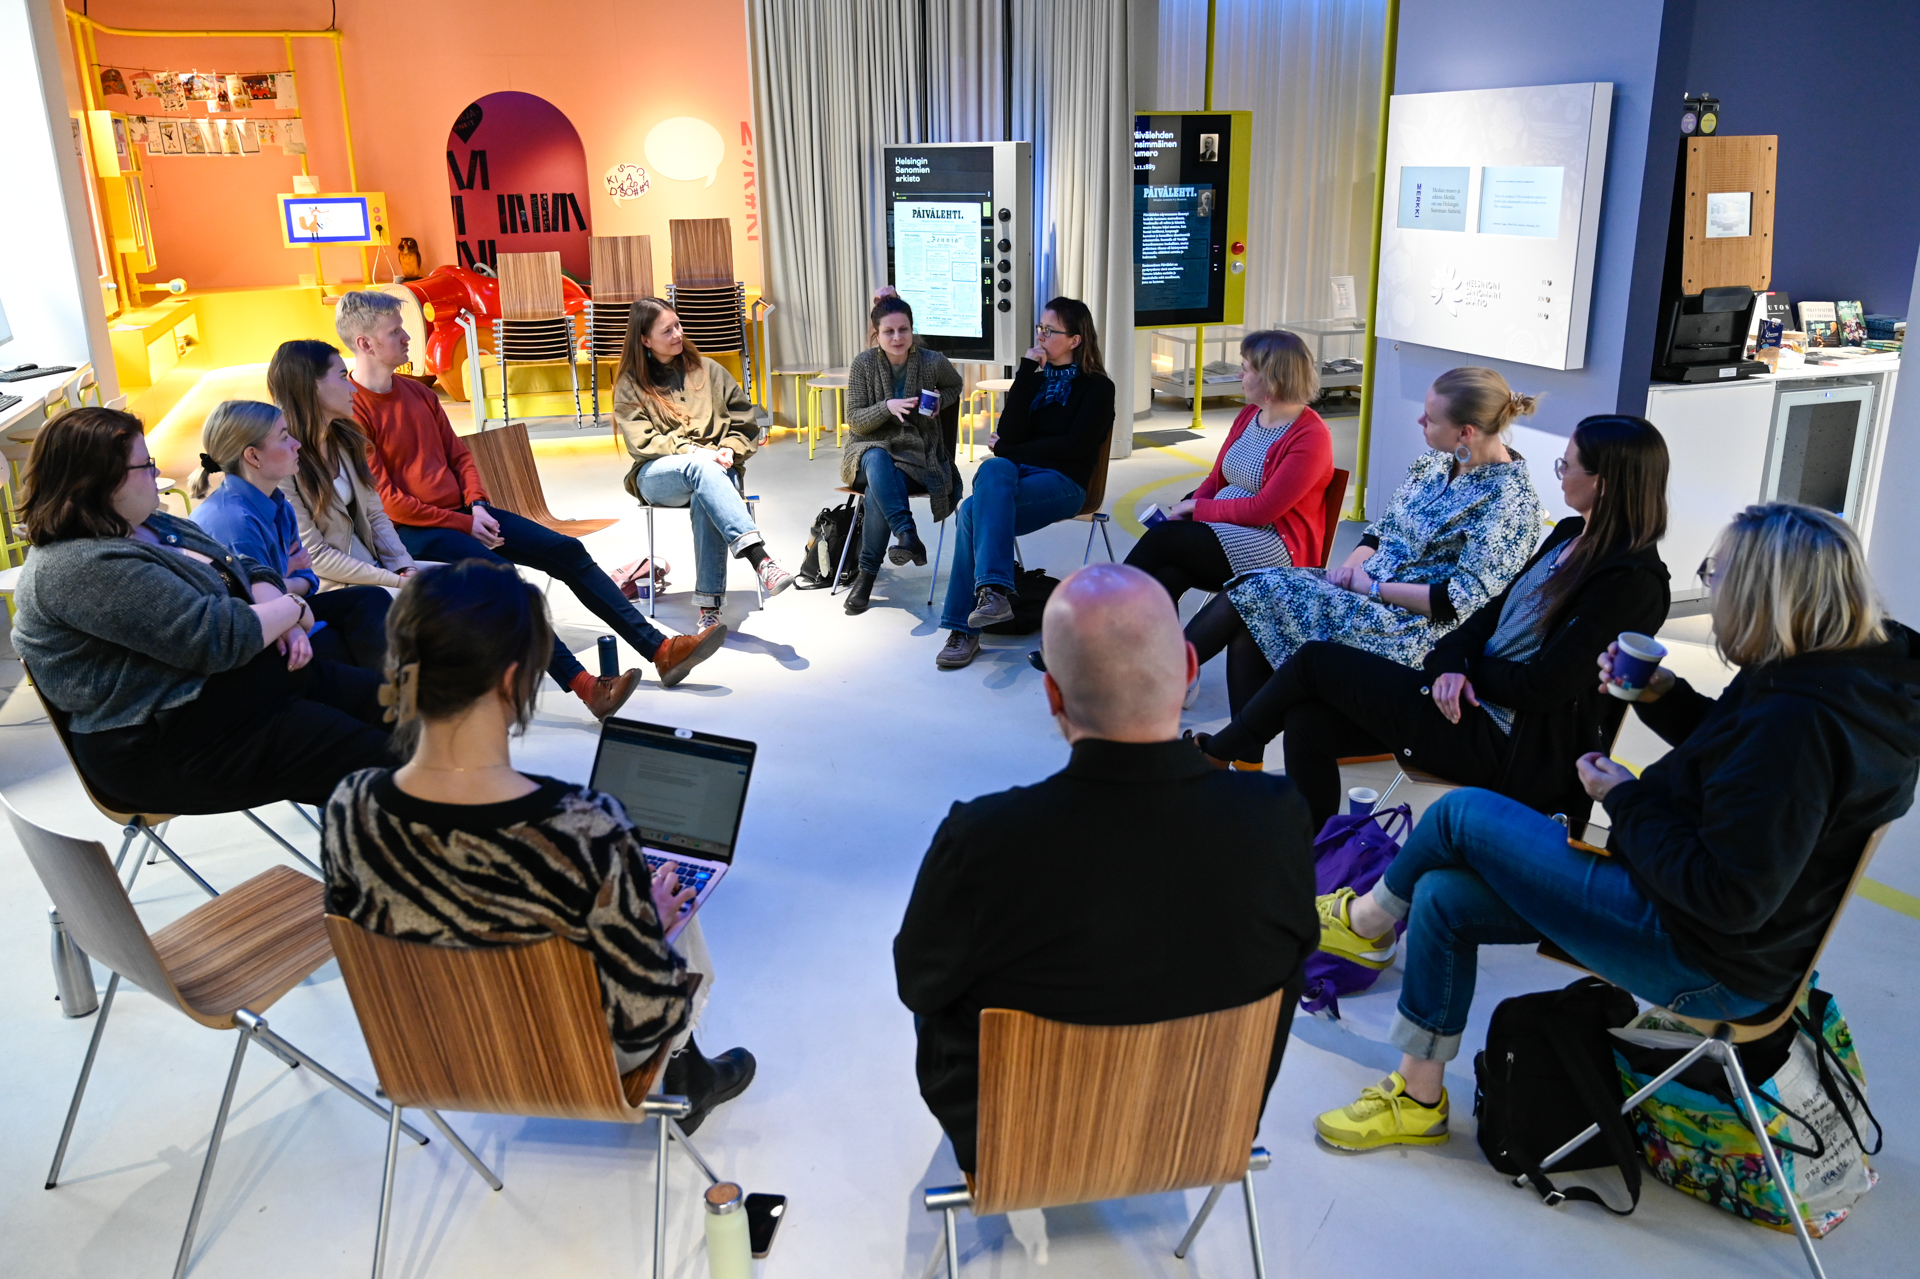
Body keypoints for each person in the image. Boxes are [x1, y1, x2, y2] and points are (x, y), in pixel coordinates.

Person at [1310, 503, 1918, 1151]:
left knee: (1460, 814)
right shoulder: (1837, 674)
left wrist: (1624, 798)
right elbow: (1741, 759)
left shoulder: (1800, 724)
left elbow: (1730, 894)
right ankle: (1417, 1095)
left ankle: (1362, 922)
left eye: (1716, 576)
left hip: (1707, 955)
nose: (1712, 593)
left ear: (1763, 595)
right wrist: (1665, 696)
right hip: (1707, 918)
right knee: (1441, 896)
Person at [894, 564, 1317, 1172]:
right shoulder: (1277, 820)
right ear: (1190, 668)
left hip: (1017, 1146)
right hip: (1201, 1131)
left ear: (1053, 696)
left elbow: (920, 986)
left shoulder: (983, 841)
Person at [322, 561, 753, 1133]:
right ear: (514, 681)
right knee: (663, 889)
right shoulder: (585, 826)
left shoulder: (350, 806)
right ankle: (686, 1072)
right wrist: (647, 931)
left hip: (434, 1059)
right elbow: (647, 1017)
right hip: (570, 1061)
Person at [1195, 416, 1671, 825]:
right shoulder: (1569, 533)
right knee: (1307, 721)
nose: (1560, 474)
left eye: (1567, 465)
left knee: (1314, 661)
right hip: (1459, 697)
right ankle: (1309, 851)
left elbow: (1546, 685)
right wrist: (1451, 664)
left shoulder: (1632, 583)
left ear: (1604, 482)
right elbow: (1488, 615)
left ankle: (1215, 755)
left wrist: (1463, 671)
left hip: (1503, 739)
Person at [332, 290, 725, 713]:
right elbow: (390, 503)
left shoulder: (420, 394)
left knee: (567, 551)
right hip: (413, 531)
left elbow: (460, 457)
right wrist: (466, 523)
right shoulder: (352, 410)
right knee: (506, 579)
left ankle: (660, 649)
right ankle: (585, 685)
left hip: (465, 514)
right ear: (365, 343)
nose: (408, 337)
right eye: (395, 331)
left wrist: (477, 505)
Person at [11, 406, 391, 813]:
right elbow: (217, 638)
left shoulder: (149, 523)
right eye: (146, 465)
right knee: (389, 760)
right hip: (166, 743)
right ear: (102, 482)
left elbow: (243, 566)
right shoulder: (80, 566)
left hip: (231, 691)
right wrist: (293, 607)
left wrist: (283, 613)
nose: (157, 473)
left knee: (409, 712)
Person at [1185, 366, 1546, 717]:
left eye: (1431, 419)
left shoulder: (1509, 502)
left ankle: (1170, 688)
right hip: (1364, 591)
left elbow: (1458, 602)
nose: (1420, 421)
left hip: (1410, 628)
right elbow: (1379, 532)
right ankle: (1230, 743)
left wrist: (1370, 588)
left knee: (1254, 595)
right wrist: (1346, 575)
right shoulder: (1434, 464)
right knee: (1251, 605)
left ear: (1465, 432)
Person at [935, 297, 1117, 671]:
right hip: (1018, 475)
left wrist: (1012, 450)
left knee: (971, 511)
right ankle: (993, 594)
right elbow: (1008, 432)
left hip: (1064, 483)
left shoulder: (1098, 388)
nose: (1041, 336)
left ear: (1075, 340)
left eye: (1050, 330)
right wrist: (1025, 372)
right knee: (992, 471)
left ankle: (965, 626)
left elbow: (1073, 447)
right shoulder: (1034, 377)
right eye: (1040, 328)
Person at [614, 297, 794, 630]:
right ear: (645, 340)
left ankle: (709, 608)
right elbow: (643, 442)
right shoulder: (630, 384)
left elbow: (746, 424)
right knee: (701, 468)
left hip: (718, 469)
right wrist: (696, 452)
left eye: (678, 325)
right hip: (658, 475)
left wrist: (728, 450)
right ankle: (760, 558)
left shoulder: (710, 370)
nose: (678, 334)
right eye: (667, 331)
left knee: (706, 490)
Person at [1124, 329, 1334, 604]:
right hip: (1229, 530)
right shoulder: (1249, 414)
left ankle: (1101, 610)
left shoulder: (1311, 436)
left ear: (1271, 378)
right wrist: (1187, 512)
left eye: (1245, 369)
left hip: (1273, 547)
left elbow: (1262, 511)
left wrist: (1197, 509)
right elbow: (1216, 479)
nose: (1239, 375)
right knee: (1168, 574)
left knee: (1164, 538)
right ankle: (1136, 628)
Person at [189, 398, 395, 672]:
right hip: (250, 639)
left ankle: (397, 689)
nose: (297, 444)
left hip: (285, 609)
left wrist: (285, 579)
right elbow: (253, 604)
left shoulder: (277, 503)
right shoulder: (234, 522)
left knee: (371, 599)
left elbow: (309, 578)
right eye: (284, 437)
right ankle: (391, 692)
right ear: (253, 456)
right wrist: (286, 577)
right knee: (343, 648)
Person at [838, 293, 965, 615]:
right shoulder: (864, 364)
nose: (897, 337)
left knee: (878, 491)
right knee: (877, 456)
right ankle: (906, 532)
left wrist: (939, 401)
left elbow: (955, 385)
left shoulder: (932, 361)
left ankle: (868, 576)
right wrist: (886, 407)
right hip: (865, 453)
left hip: (916, 457)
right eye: (889, 331)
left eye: (903, 330)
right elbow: (855, 420)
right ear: (876, 334)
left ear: (911, 329)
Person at [266, 338, 419, 590]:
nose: (353, 389)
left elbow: (375, 516)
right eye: (341, 376)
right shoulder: (280, 461)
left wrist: (404, 565)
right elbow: (315, 556)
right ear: (311, 386)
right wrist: (394, 581)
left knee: (463, 583)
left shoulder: (346, 438)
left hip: (375, 568)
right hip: (332, 586)